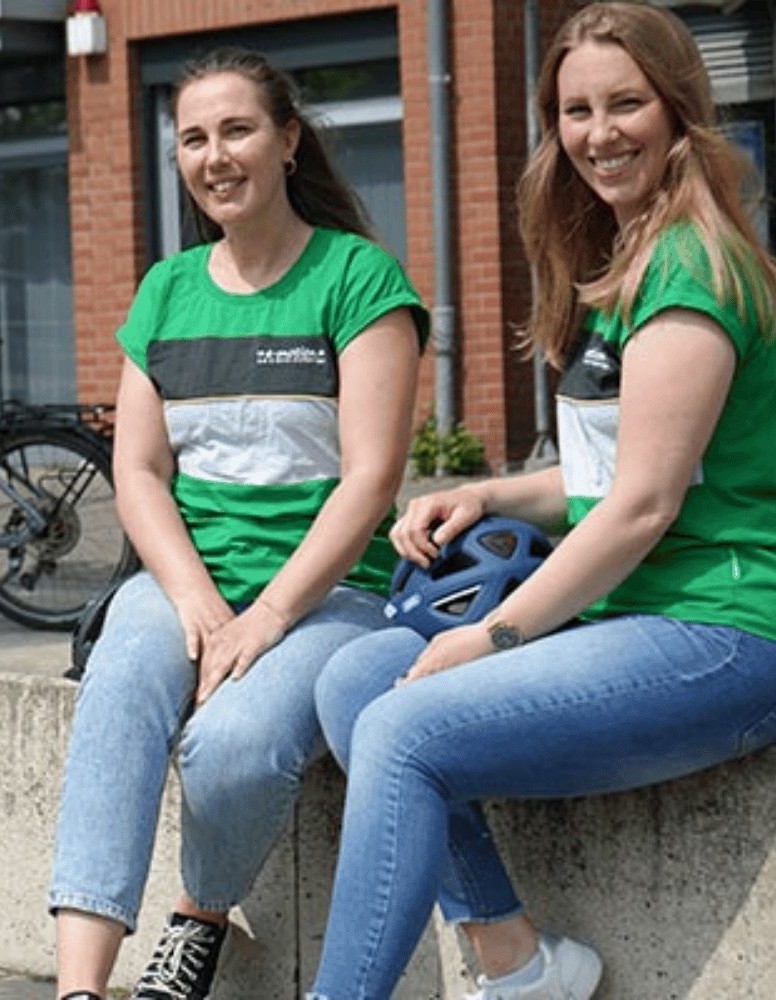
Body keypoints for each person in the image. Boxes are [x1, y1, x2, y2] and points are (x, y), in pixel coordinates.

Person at [307, 4, 776, 999]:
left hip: (722, 627)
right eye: (576, 110)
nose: (599, 132)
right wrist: (483, 491)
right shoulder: (624, 253)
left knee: (403, 725)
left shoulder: (693, 265)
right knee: (355, 682)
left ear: (679, 109)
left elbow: (644, 504)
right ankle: (520, 965)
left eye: (626, 104)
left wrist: (498, 636)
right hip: (628, 611)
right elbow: (614, 472)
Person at [48, 47, 424, 1000]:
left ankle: (202, 912)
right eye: (194, 137)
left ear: (288, 141)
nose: (216, 155)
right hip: (190, 577)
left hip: (330, 595)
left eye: (238, 129)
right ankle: (78, 989)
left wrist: (264, 619)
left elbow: (371, 479)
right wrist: (195, 599)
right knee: (123, 682)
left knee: (234, 745)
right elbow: (136, 471)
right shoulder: (167, 290)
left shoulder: (360, 279)